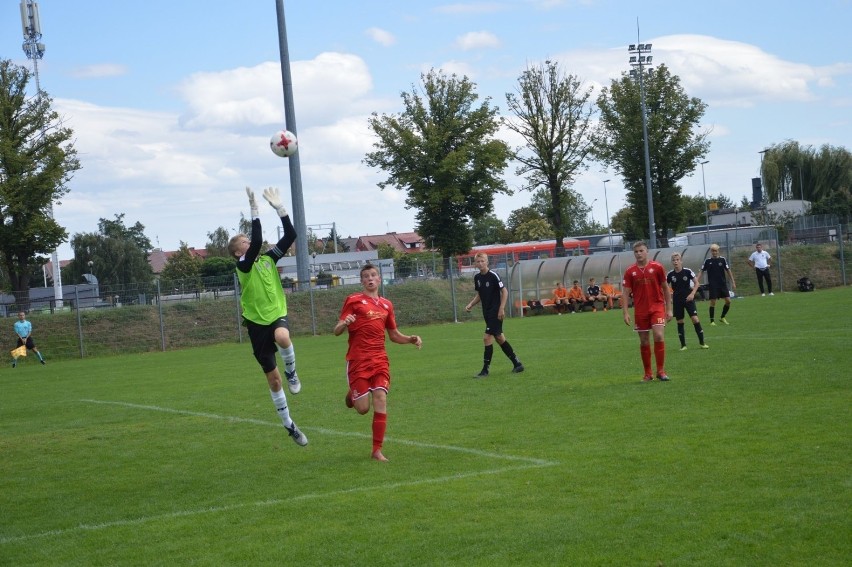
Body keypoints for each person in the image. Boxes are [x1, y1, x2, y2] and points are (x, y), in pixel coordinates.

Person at [228, 187, 307, 447]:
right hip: (255, 325)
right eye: (244, 243)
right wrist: (254, 210)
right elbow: (258, 240)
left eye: (247, 241)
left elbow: (291, 235)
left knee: (283, 336)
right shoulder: (243, 266)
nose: (248, 244)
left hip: (275, 314)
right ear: (238, 252)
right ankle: (289, 425)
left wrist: (281, 209)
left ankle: (293, 372)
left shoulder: (267, 260)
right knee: (273, 380)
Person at [334, 263, 422, 462]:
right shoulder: (353, 301)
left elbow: (393, 335)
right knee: (363, 408)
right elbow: (337, 329)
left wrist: (410, 339)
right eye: (366, 276)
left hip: (380, 359)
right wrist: (344, 324)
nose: (370, 278)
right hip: (358, 360)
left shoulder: (386, 305)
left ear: (379, 279)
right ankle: (353, 395)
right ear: (362, 280)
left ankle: (376, 450)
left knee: (381, 398)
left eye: (373, 275)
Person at [465, 252, 524, 377]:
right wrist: (471, 304)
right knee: (499, 338)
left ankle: (485, 370)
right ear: (475, 263)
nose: (480, 263)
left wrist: (501, 308)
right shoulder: (477, 278)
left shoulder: (493, 276)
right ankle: (517, 364)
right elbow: (480, 294)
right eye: (478, 261)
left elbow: (505, 292)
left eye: (482, 261)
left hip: (495, 312)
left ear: (487, 262)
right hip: (486, 312)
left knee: (487, 338)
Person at [622, 241, 673, 381]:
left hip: (657, 307)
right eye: (636, 252)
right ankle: (648, 373)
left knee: (658, 335)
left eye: (641, 251)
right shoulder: (630, 271)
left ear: (647, 251)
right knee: (644, 341)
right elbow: (625, 293)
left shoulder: (657, 267)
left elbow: (665, 289)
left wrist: (669, 309)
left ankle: (661, 371)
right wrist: (625, 312)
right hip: (640, 310)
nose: (638, 254)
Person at [667, 253, 709, 351]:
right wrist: (670, 297)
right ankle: (683, 345)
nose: (676, 262)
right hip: (677, 300)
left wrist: (692, 294)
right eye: (674, 260)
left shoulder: (687, 271)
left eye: (677, 259)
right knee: (680, 321)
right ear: (672, 262)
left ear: (681, 261)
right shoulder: (670, 274)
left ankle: (702, 343)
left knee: (695, 319)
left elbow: (697, 283)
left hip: (688, 299)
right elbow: (665, 287)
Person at [699, 243, 736, 326]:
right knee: (713, 302)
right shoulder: (707, 261)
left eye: (715, 251)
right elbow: (701, 271)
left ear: (718, 251)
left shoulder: (722, 260)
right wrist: (696, 282)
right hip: (713, 285)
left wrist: (733, 281)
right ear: (711, 252)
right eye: (712, 251)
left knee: (728, 301)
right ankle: (712, 321)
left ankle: (722, 317)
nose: (714, 252)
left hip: (722, 284)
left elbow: (728, 270)